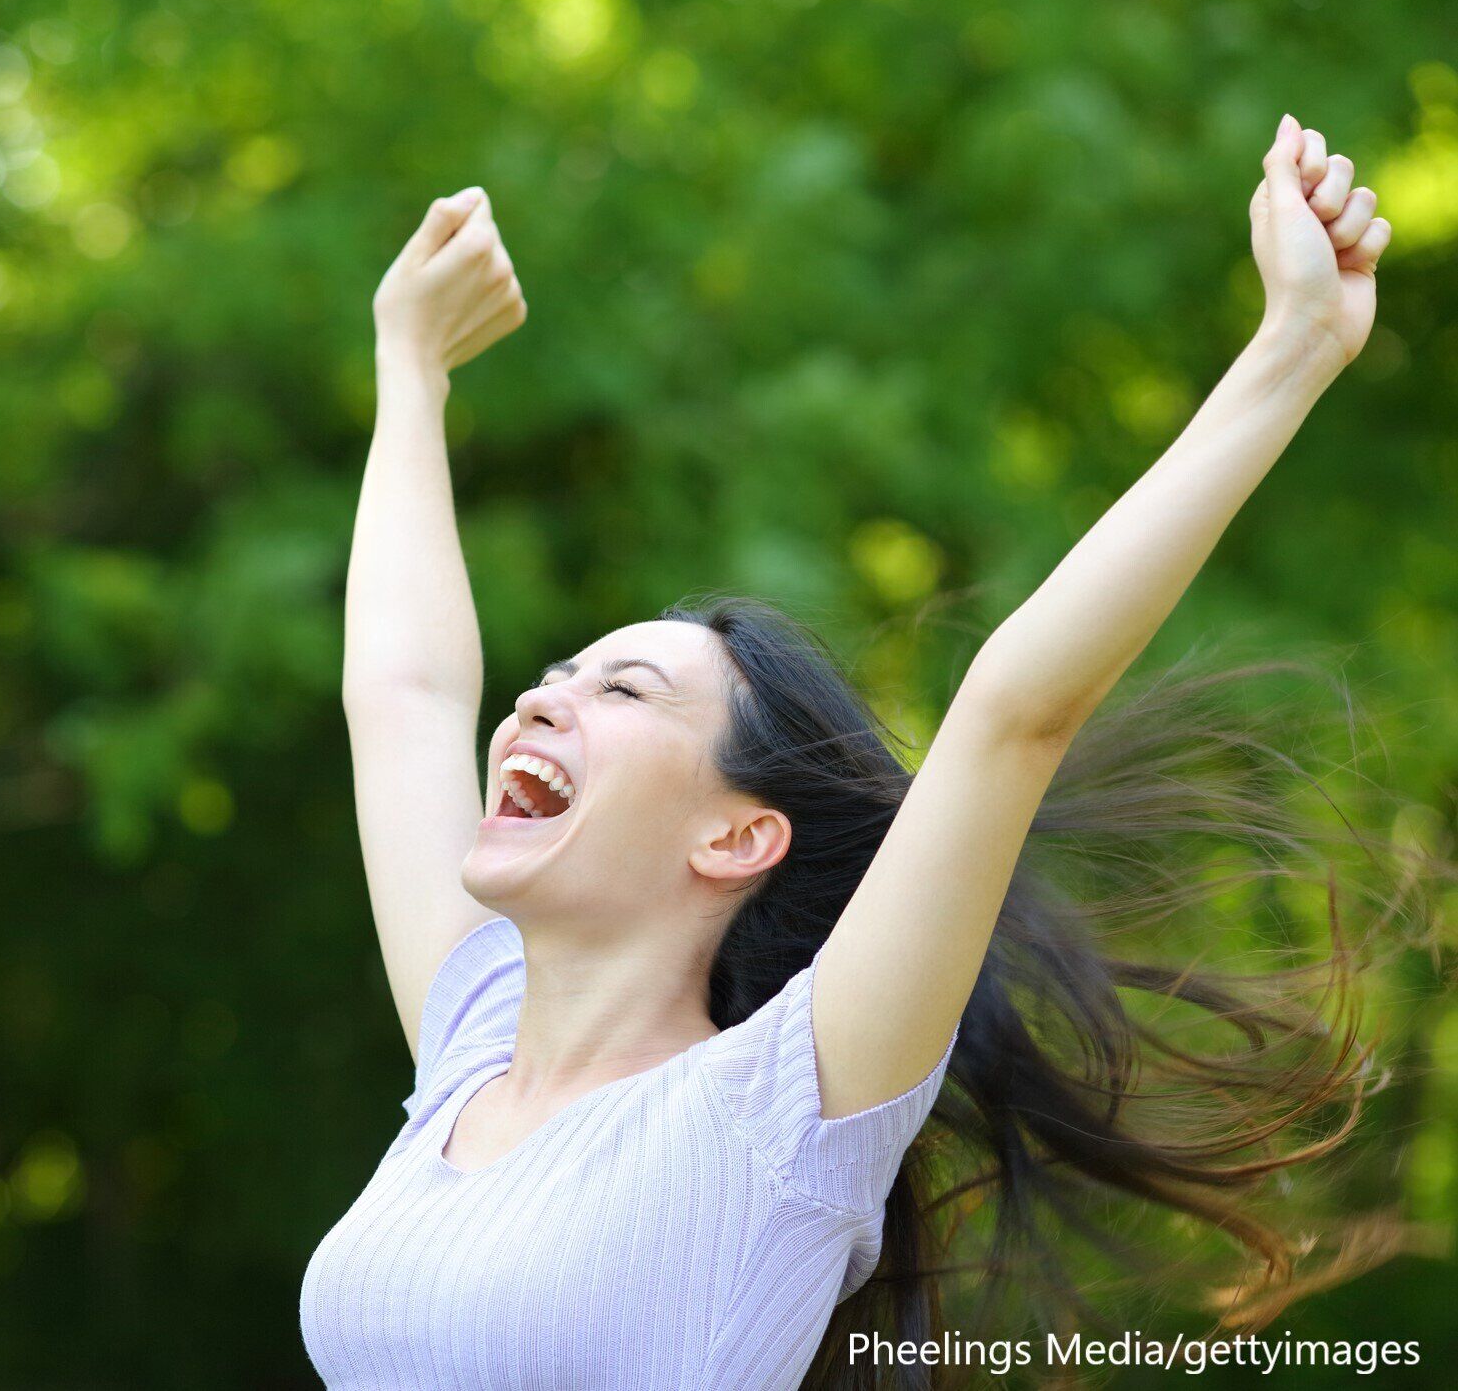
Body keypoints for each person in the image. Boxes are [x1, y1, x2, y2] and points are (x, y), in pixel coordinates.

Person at [300, 115, 1415, 1389]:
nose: (539, 704)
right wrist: (411, 365)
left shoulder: (783, 1111)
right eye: (554, 678)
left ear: (739, 835)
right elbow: (404, 694)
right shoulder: (471, 1041)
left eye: (622, 689)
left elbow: (1012, 716)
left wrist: (1296, 346)